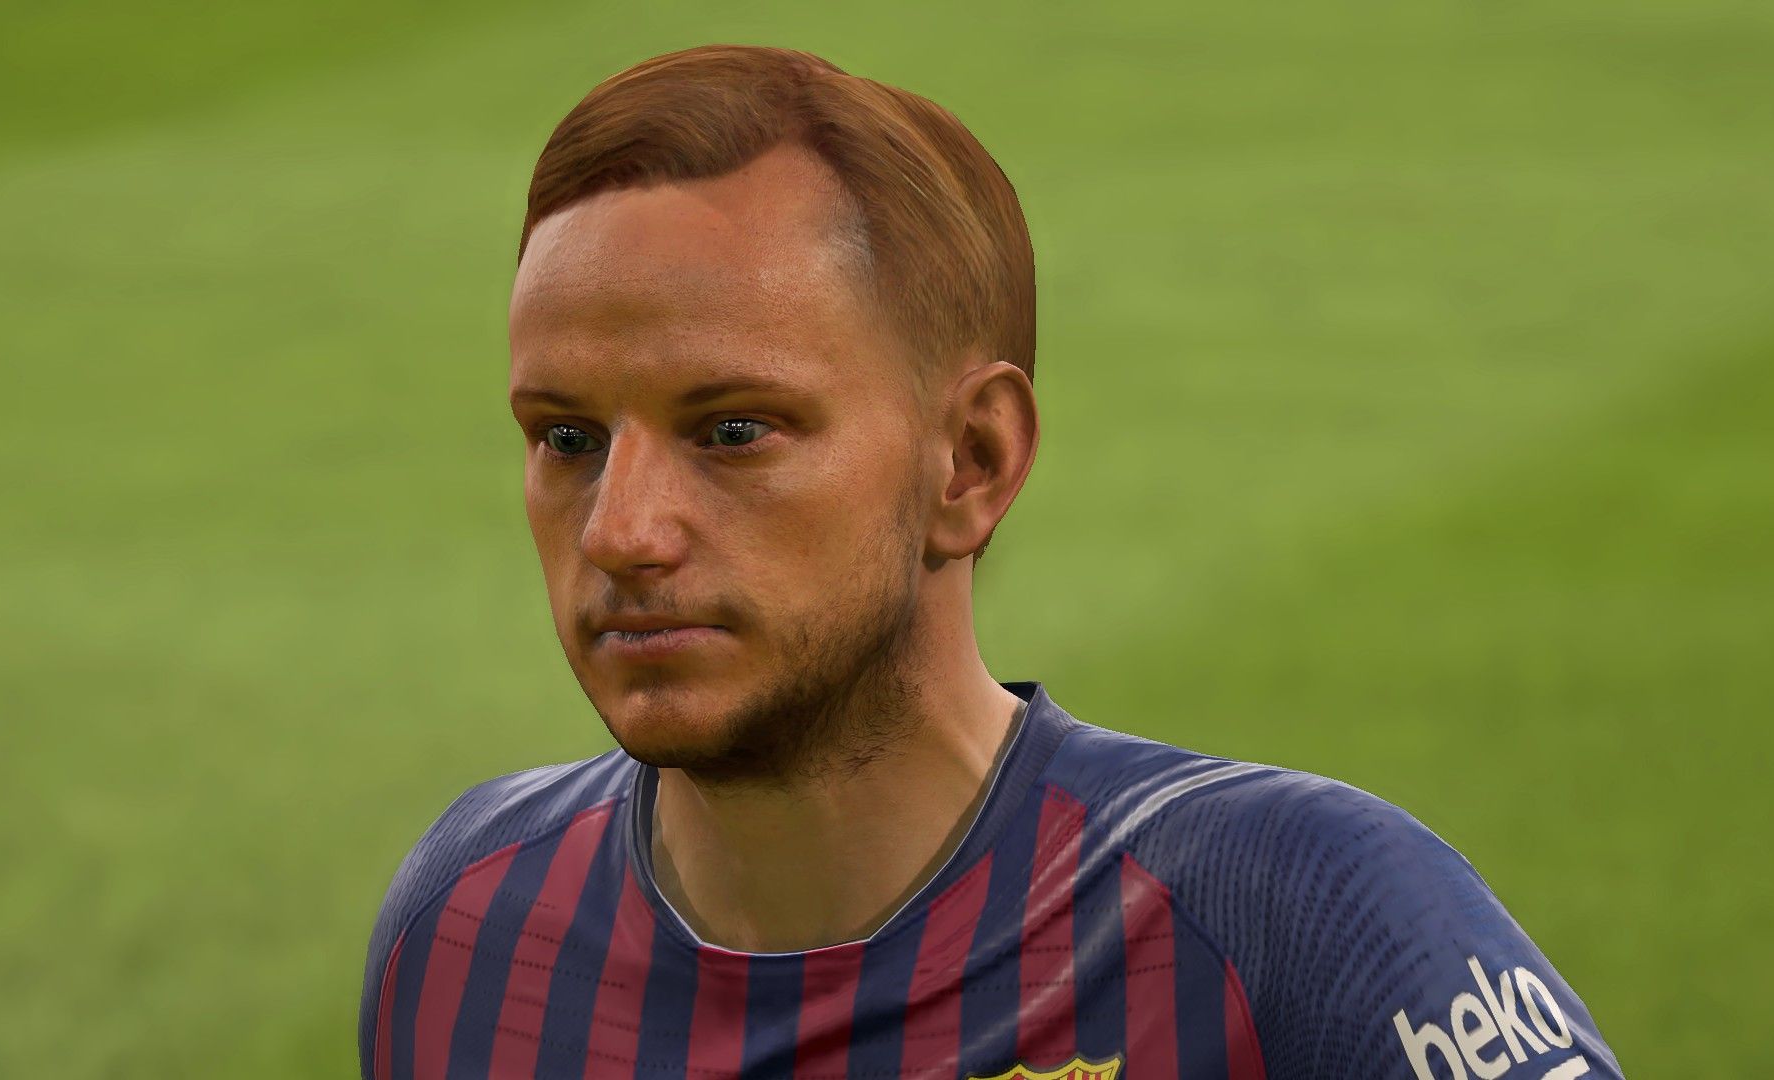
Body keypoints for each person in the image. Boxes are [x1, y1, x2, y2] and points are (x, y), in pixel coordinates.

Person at [358, 44, 1623, 1080]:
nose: (621, 531)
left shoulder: (1297, 918)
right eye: (567, 439)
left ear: (970, 461)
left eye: (733, 431)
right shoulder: (467, 928)